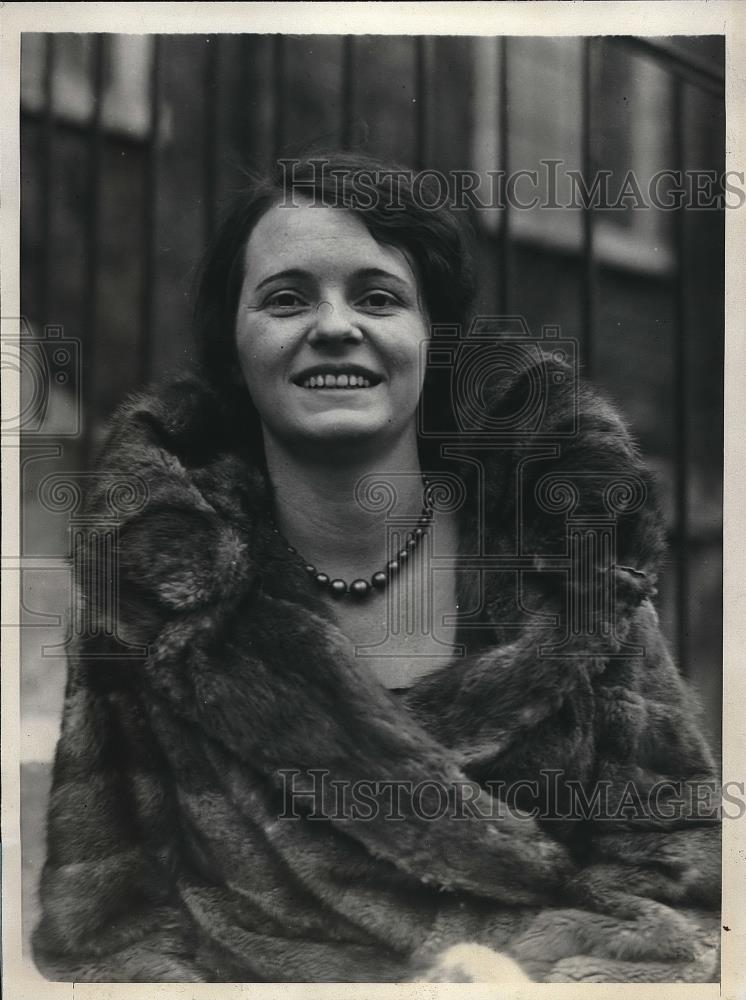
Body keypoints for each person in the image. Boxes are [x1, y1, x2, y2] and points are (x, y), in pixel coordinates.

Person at [32, 152, 721, 983]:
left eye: (378, 297)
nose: (334, 325)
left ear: (434, 340)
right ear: (235, 346)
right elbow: (106, 932)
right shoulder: (152, 596)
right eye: (286, 299)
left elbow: (681, 890)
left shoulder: (574, 570)